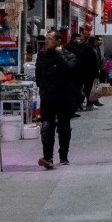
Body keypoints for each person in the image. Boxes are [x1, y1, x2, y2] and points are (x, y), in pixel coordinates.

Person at [35, 30, 77, 168]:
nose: (47, 41)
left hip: (64, 98)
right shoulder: (42, 55)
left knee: (64, 127)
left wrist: (58, 55)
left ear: (59, 41)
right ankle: (48, 157)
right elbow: (38, 76)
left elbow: (70, 70)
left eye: (50, 39)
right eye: (46, 39)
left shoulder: (69, 55)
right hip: (47, 98)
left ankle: (63, 155)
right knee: (47, 127)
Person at [72, 33, 102, 109]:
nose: (80, 41)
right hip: (88, 72)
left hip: (87, 72)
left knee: (89, 88)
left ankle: (89, 103)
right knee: (88, 88)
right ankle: (89, 103)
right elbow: (92, 61)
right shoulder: (88, 48)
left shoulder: (89, 48)